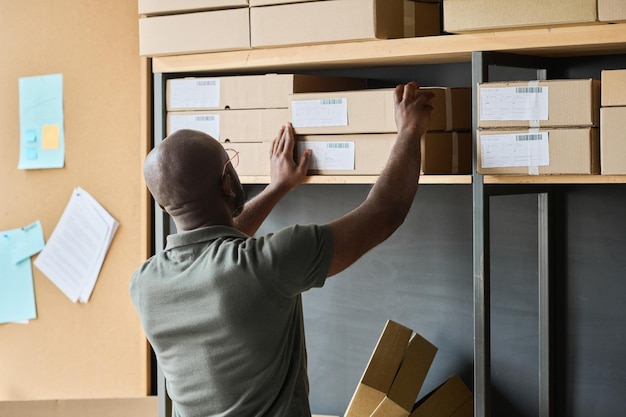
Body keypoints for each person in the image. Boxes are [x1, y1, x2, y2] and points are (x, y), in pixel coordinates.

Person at [129, 81, 434, 417]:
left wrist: (277, 188)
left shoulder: (144, 284)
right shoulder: (267, 265)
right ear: (229, 183)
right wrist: (409, 130)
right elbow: (384, 213)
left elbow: (213, 245)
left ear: (162, 206)